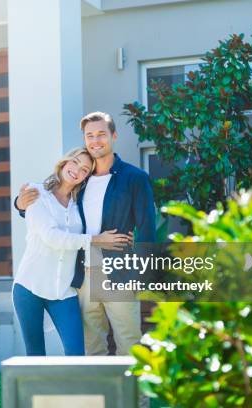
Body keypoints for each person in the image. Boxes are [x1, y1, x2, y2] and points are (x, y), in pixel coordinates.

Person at [15, 112, 156, 356]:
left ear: (114, 135)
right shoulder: (82, 179)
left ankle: (136, 397)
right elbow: (51, 209)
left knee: (129, 343)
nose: (95, 140)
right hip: (82, 277)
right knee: (92, 347)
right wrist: (19, 204)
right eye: (89, 136)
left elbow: (146, 230)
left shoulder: (135, 178)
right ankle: (98, 395)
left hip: (119, 274)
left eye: (101, 134)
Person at [12, 147, 132, 356]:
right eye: (75, 162)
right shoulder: (36, 193)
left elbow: (96, 221)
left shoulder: (80, 205)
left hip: (64, 291)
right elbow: (52, 237)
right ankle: (38, 390)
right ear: (65, 162)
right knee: (36, 355)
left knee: (76, 354)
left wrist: (123, 234)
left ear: (86, 178)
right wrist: (96, 240)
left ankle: (75, 390)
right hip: (29, 286)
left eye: (85, 170)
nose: (77, 170)